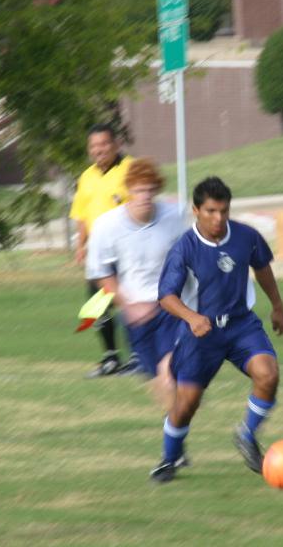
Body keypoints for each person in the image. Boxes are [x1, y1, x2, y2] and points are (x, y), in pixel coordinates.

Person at [150, 177, 283, 483]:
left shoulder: (246, 237)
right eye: (211, 211)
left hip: (241, 325)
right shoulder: (184, 248)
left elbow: (262, 266)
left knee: (269, 373)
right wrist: (191, 317)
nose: (218, 218)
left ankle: (247, 434)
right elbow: (166, 296)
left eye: (224, 211)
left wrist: (277, 305)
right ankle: (169, 459)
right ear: (196, 210)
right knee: (187, 404)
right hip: (201, 334)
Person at [85, 159, 189, 405]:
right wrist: (127, 305)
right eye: (139, 190)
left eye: (150, 189)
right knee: (162, 385)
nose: (145, 196)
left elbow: (187, 258)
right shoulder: (107, 225)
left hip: (169, 307)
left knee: (169, 371)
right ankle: (175, 428)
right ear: (128, 191)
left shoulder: (173, 217)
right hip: (137, 316)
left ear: (157, 190)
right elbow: (101, 273)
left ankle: (178, 419)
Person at [70, 123, 135, 377]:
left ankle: (138, 356)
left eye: (104, 144)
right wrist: (80, 245)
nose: (99, 150)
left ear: (115, 144)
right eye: (94, 146)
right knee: (96, 306)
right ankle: (111, 358)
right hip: (98, 252)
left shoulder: (130, 168)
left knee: (129, 302)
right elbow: (81, 214)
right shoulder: (86, 177)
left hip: (126, 250)